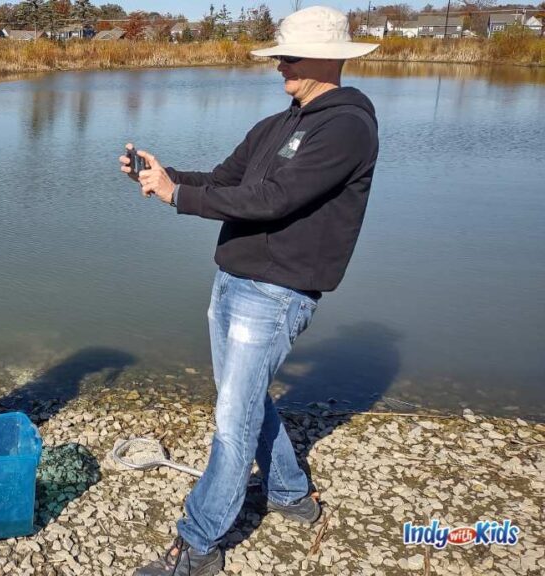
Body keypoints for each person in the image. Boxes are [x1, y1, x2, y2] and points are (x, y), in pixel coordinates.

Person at [121, 7, 380, 575]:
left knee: (232, 421)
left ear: (329, 58)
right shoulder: (277, 125)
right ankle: (289, 494)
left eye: (289, 56)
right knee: (246, 401)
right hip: (234, 280)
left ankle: (197, 544)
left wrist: (176, 198)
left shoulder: (346, 128)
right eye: (279, 55)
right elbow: (224, 178)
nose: (279, 65)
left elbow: (274, 201)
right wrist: (165, 176)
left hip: (277, 292)